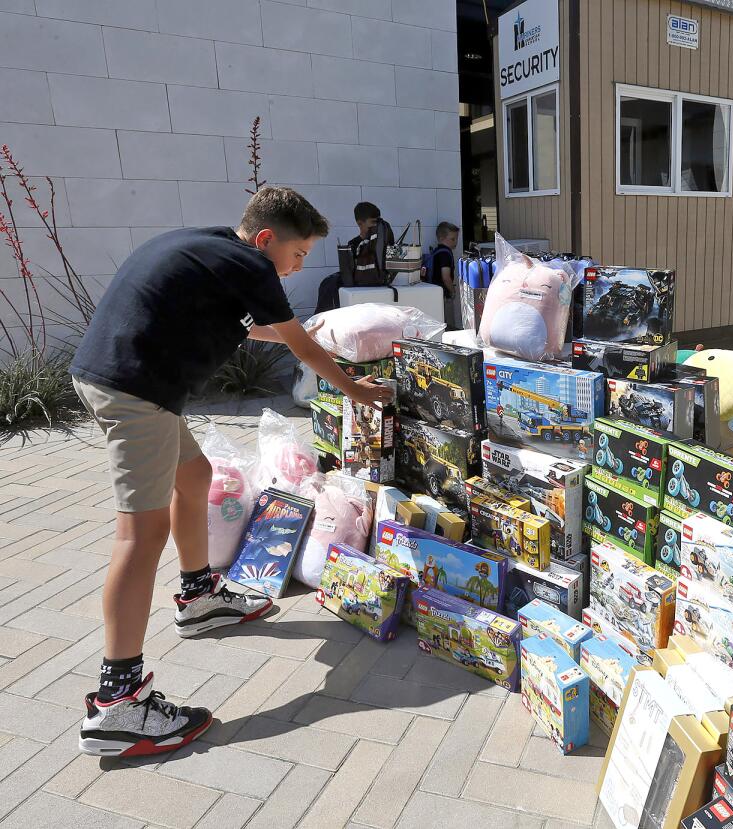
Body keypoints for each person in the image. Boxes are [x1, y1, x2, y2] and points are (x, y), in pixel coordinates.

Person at [69, 187, 393, 757]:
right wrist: (354, 389)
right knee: (139, 536)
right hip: (134, 391)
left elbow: (258, 328)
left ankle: (199, 598)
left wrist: (303, 330)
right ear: (267, 240)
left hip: (133, 384)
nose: (296, 269)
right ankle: (118, 704)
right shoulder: (248, 263)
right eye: (297, 255)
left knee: (193, 478)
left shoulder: (216, 252)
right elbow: (298, 347)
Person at [313, 201, 395, 312]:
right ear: (360, 223)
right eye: (373, 222)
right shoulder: (354, 243)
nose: (376, 225)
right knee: (328, 283)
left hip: (372, 278)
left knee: (329, 283)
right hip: (360, 278)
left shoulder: (382, 236)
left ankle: (321, 317)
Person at [425, 221, 459, 327]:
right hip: (444, 295)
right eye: (453, 239)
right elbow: (445, 277)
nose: (456, 242)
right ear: (441, 238)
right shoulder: (445, 254)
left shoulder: (436, 252)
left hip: (434, 294)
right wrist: (452, 291)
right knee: (449, 325)